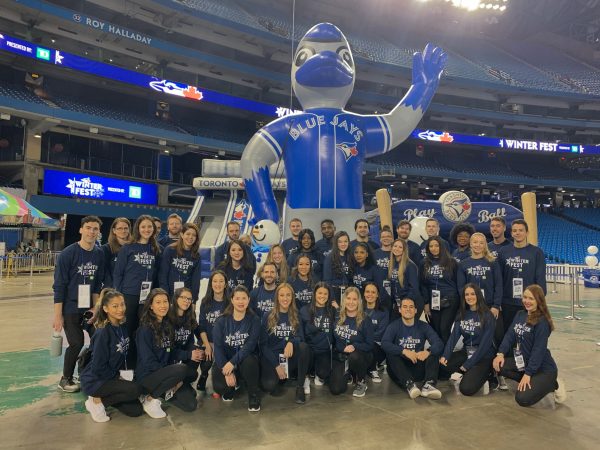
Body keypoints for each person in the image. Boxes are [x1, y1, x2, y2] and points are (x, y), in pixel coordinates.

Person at [53, 215, 105, 393]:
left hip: (89, 308)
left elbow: (98, 284)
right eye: (89, 228)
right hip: (70, 307)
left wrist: (96, 308)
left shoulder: (99, 253)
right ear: (81, 229)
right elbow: (59, 286)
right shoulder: (68, 254)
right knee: (76, 343)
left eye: (95, 229)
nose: (92, 231)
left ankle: (87, 369)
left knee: (100, 336)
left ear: (99, 232)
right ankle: (65, 378)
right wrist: (58, 316)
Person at [493, 285, 567, 407]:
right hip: (524, 362)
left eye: (531, 298)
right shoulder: (520, 314)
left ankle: (553, 384)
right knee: (498, 366)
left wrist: (528, 374)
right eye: (525, 297)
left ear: (539, 301)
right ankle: (533, 381)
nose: (527, 301)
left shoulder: (542, 322)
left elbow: (538, 351)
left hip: (543, 369)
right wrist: (500, 354)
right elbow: (510, 336)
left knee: (522, 399)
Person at [80, 289, 142, 422]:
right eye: (115, 306)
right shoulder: (103, 333)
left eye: (122, 304)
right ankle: (95, 402)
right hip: (96, 380)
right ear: (105, 309)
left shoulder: (122, 327)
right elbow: (97, 368)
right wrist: (119, 377)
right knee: (135, 389)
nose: (120, 309)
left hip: (112, 375)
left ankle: (103, 399)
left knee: (135, 410)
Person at [113, 215, 161, 367]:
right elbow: (118, 273)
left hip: (147, 298)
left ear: (153, 230)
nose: (147, 229)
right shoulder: (128, 248)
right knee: (127, 330)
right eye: (143, 227)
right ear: (138, 229)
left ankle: (139, 365)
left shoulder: (156, 249)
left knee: (143, 332)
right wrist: (119, 296)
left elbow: (157, 273)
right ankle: (124, 365)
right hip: (129, 295)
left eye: (150, 227)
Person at [135, 288, 190, 418]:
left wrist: (188, 355)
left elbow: (171, 352)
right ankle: (149, 399)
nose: (163, 305)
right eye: (158, 302)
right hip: (147, 377)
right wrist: (172, 375)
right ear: (151, 306)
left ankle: (163, 391)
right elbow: (148, 362)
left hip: (163, 375)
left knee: (190, 404)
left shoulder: (167, 325)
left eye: (165, 301)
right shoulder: (144, 330)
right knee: (181, 369)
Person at [382, 297, 444, 399]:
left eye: (411, 307)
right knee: (391, 354)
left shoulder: (423, 326)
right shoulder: (394, 326)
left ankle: (429, 385)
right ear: (400, 310)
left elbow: (439, 343)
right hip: (400, 369)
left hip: (417, 366)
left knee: (433, 352)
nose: (408, 309)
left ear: (415, 310)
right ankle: (409, 384)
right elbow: (385, 343)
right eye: (405, 307)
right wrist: (403, 351)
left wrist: (428, 352)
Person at [440, 284, 495, 396]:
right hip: (467, 352)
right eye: (466, 294)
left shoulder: (488, 315)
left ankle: (489, 373)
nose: (469, 297)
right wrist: (445, 355)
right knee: (442, 368)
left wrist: (468, 364)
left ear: (478, 295)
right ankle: (469, 372)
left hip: (483, 356)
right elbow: (453, 336)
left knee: (466, 389)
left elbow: (485, 345)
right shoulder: (462, 313)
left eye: (472, 294)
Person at [212, 286, 261, 412]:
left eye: (244, 298)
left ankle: (253, 394)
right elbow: (217, 348)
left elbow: (250, 346)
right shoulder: (221, 321)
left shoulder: (254, 320)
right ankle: (232, 386)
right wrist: (227, 369)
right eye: (237, 298)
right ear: (232, 300)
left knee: (250, 361)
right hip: (226, 361)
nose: (241, 302)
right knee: (219, 386)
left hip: (244, 360)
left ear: (249, 300)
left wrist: (232, 363)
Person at [260, 283, 310, 404]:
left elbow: (301, 338)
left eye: (288, 295)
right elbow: (262, 345)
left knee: (304, 347)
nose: (285, 298)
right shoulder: (268, 316)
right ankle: (282, 377)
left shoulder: (296, 314)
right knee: (269, 386)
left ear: (292, 297)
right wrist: (276, 365)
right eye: (282, 295)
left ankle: (300, 387)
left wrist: (290, 342)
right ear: (277, 297)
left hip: (289, 356)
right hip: (273, 358)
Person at [497, 219, 546, 334]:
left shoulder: (536, 252)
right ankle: (508, 353)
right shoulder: (503, 252)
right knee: (508, 332)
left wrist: (539, 301)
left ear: (527, 233)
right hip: (508, 301)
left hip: (529, 302)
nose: (517, 233)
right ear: (511, 233)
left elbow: (540, 278)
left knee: (527, 332)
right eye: (515, 230)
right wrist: (498, 301)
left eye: (521, 230)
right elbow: (499, 278)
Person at [458, 233, 504, 346]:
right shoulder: (463, 264)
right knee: (476, 337)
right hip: (472, 308)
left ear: (485, 245)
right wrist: (468, 306)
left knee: (497, 336)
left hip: (490, 306)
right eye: (475, 242)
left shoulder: (492, 262)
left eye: (481, 242)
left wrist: (496, 306)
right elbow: (461, 288)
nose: (477, 245)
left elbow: (498, 285)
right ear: (470, 244)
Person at [330, 287, 374, 398]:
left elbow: (370, 345)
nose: (351, 302)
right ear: (344, 300)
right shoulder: (337, 316)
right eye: (348, 298)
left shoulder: (365, 319)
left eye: (354, 299)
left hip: (360, 355)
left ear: (359, 301)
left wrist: (354, 346)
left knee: (354, 357)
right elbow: (333, 340)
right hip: (342, 356)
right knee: (336, 389)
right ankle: (349, 373)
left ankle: (361, 380)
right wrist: (341, 348)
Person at [167, 287, 202, 411]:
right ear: (176, 298)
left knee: (196, 354)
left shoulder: (189, 316)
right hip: (168, 363)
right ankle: (167, 390)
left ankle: (182, 383)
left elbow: (190, 342)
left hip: (181, 361)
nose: (187, 301)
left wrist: (194, 351)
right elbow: (167, 351)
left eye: (189, 299)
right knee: (191, 406)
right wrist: (187, 355)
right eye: (183, 298)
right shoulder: (167, 318)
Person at [420, 236, 459, 344]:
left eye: (436, 245)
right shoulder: (423, 263)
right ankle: (439, 353)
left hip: (450, 299)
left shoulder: (452, 262)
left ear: (441, 246)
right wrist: (426, 303)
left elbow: (458, 282)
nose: (434, 248)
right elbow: (422, 284)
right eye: (431, 246)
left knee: (444, 328)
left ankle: (446, 356)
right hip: (434, 300)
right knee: (436, 329)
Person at [197, 270, 230, 393]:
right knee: (206, 356)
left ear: (226, 284)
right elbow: (201, 326)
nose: (218, 284)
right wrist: (207, 345)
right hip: (208, 340)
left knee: (221, 386)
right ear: (211, 284)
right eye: (215, 281)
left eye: (221, 281)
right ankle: (204, 374)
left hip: (224, 343)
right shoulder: (205, 302)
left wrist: (219, 345)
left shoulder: (230, 303)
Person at [300, 282, 335, 393]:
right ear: (314, 294)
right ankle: (305, 377)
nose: (322, 296)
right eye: (320, 293)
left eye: (325, 294)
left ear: (329, 296)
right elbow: (305, 331)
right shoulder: (305, 310)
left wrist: (338, 309)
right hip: (310, 349)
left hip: (324, 350)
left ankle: (316, 373)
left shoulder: (332, 310)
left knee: (323, 374)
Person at [159, 223, 202, 302]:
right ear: (182, 235)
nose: (190, 237)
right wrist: (165, 295)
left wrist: (193, 300)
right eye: (188, 234)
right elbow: (163, 274)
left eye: (194, 235)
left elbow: (195, 280)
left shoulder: (196, 255)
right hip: (170, 295)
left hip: (186, 298)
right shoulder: (170, 250)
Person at [388, 238, 420, 318]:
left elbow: (414, 289)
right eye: (395, 246)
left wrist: (405, 304)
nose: (397, 249)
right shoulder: (392, 264)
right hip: (397, 303)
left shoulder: (410, 266)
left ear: (404, 250)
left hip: (408, 304)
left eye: (400, 247)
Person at [363, 282, 389, 383]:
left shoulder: (383, 311)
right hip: (362, 343)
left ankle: (373, 369)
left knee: (371, 345)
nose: (370, 294)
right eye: (367, 292)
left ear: (377, 294)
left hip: (376, 345)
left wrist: (365, 338)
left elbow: (380, 333)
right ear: (364, 294)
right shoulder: (358, 309)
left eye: (373, 292)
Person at [100, 217, 131, 289]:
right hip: (112, 289)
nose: (123, 231)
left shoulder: (133, 248)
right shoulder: (106, 249)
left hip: (130, 289)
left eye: (126, 228)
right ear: (114, 230)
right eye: (119, 228)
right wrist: (113, 288)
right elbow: (104, 272)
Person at [323, 231, 353, 303]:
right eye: (340, 242)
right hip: (334, 292)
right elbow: (327, 281)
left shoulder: (349, 257)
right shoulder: (330, 258)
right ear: (336, 243)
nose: (343, 244)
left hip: (347, 292)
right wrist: (332, 300)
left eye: (345, 241)